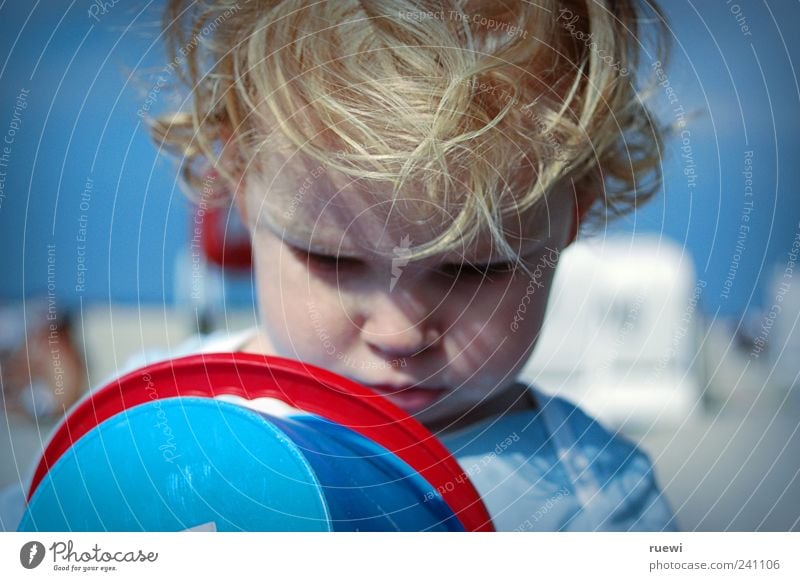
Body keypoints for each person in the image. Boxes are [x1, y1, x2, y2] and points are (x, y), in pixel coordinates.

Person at [3, 0, 677, 531]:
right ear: (240, 180)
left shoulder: (594, 503)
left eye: (473, 269)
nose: (401, 332)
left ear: (572, 217)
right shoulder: (143, 427)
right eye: (333, 258)